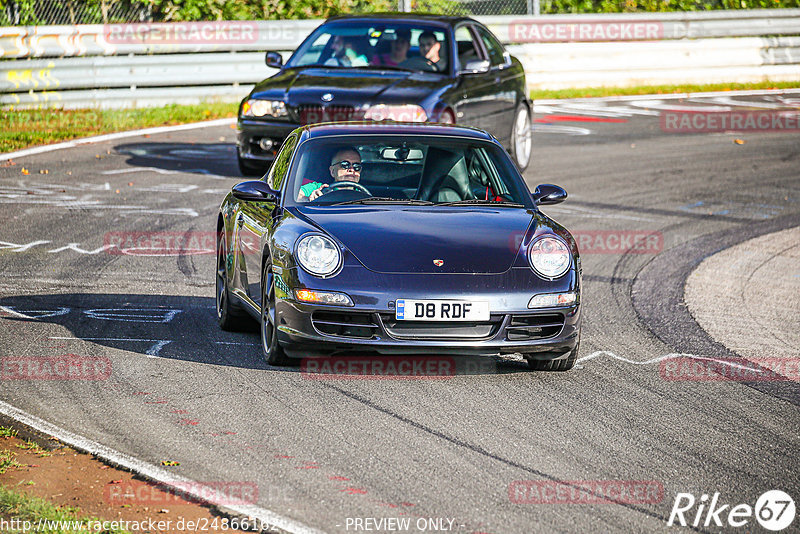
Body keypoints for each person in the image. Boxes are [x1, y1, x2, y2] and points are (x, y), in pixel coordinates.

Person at [297, 147, 362, 201]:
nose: (351, 169)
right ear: (332, 171)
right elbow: (294, 196)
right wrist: (309, 199)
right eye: (345, 165)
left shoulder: (364, 193)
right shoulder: (318, 188)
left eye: (356, 166)